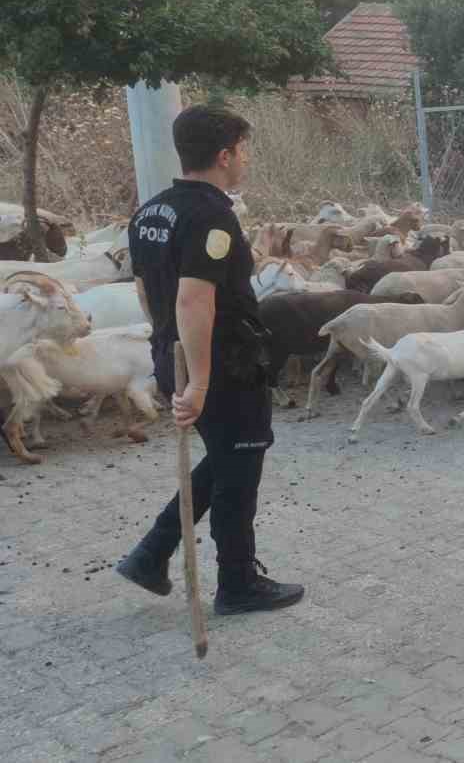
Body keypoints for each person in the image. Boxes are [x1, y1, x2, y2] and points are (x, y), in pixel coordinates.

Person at [116, 105, 305, 616]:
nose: (246, 160)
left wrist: (167, 350)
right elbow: (193, 299)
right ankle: (237, 584)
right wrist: (199, 381)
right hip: (223, 365)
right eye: (243, 150)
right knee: (239, 469)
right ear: (225, 155)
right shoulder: (212, 216)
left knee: (225, 457)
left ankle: (151, 554)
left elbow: (146, 291)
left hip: (176, 354)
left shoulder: (151, 211)